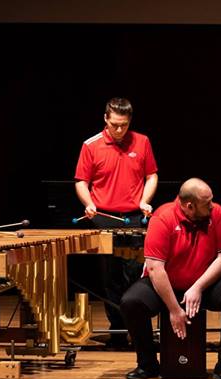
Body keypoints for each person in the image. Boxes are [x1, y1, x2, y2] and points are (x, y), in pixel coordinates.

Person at [119, 178, 221, 379]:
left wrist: (197, 287)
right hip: (164, 286)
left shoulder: (218, 214)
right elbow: (155, 269)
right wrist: (174, 309)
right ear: (190, 206)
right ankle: (147, 363)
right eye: (207, 203)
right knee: (131, 302)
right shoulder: (163, 218)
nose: (212, 205)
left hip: (202, 285)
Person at [75, 97, 158, 347]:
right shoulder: (91, 145)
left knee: (135, 273)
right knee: (111, 276)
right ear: (105, 119)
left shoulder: (142, 141)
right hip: (103, 217)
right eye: (114, 125)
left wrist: (145, 200)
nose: (119, 130)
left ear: (129, 121)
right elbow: (81, 181)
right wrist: (88, 203)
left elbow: (151, 176)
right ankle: (119, 330)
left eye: (123, 125)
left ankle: (138, 326)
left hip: (134, 216)